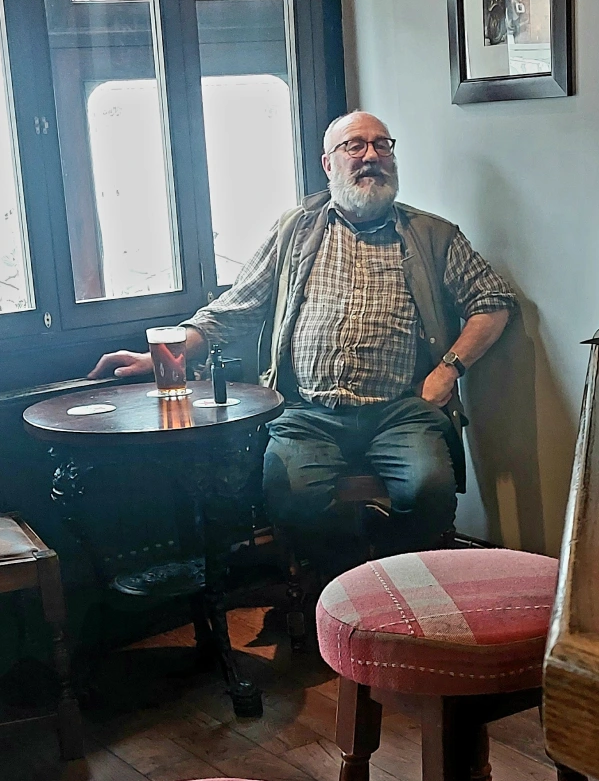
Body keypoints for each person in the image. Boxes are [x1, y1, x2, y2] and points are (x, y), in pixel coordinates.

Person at [89, 109, 514, 564]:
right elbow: (236, 308)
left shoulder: (434, 235)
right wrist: (160, 355)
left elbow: (493, 303)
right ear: (329, 164)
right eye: (355, 146)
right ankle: (338, 585)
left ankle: (391, 586)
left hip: (401, 410)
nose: (371, 156)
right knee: (290, 493)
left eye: (382, 145)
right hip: (308, 412)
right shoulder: (294, 230)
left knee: (428, 490)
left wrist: (448, 370)